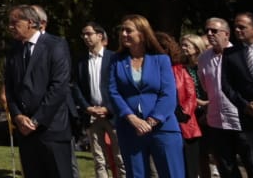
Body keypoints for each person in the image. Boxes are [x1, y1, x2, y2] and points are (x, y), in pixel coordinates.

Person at [3, 5, 75, 178]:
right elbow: (10, 89)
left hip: (51, 129)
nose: (10, 27)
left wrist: (36, 121)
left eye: (15, 22)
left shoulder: (55, 45)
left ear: (30, 23)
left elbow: (58, 87)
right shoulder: (13, 51)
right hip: (25, 133)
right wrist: (18, 116)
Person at [108, 15, 183, 178]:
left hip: (163, 128)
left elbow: (168, 93)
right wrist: (132, 119)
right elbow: (113, 92)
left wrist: (152, 120)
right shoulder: (116, 60)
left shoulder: (161, 59)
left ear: (142, 34)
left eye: (129, 30)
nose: (123, 34)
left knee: (172, 173)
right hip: (130, 129)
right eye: (122, 30)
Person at [199, 18, 250, 178]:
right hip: (217, 122)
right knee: (226, 169)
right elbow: (206, 87)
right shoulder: (203, 58)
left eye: (214, 31)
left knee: (252, 165)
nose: (209, 34)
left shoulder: (241, 54)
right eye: (207, 30)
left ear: (226, 34)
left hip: (240, 120)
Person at [74, 23, 125, 178]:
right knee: (99, 158)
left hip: (113, 114)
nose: (85, 37)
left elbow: (120, 85)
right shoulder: (81, 61)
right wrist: (87, 108)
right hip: (92, 115)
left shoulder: (114, 58)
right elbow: (76, 87)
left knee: (120, 157)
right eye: (83, 34)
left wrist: (108, 108)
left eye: (89, 33)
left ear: (100, 36)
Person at [223, 12, 253, 178]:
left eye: (242, 27)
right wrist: (246, 107)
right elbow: (227, 86)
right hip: (252, 119)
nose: (236, 30)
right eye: (235, 26)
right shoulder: (229, 54)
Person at [157, 33, 202, 178]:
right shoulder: (152, 71)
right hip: (163, 123)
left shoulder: (179, 70)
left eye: (163, 49)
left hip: (185, 123)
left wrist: (183, 114)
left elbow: (191, 95)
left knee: (190, 169)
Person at [177, 33, 210, 178]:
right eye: (182, 45)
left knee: (213, 152)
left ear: (197, 48)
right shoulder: (181, 67)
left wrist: (208, 103)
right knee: (198, 154)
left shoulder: (205, 64)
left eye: (186, 45)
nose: (183, 48)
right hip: (191, 113)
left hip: (210, 109)